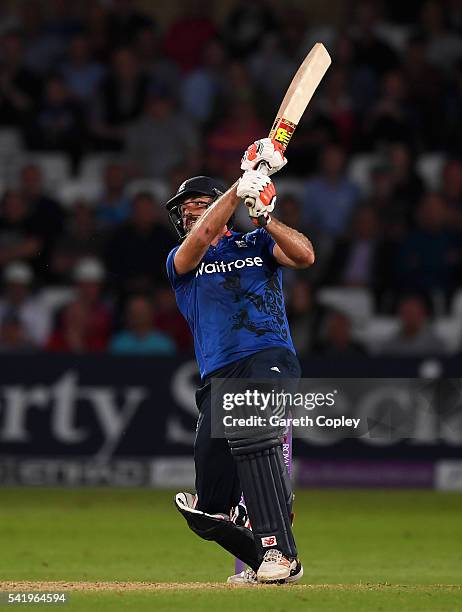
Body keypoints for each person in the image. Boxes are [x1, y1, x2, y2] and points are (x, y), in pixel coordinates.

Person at [166, 138, 315, 585]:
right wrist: (241, 182)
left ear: (222, 208)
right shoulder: (180, 261)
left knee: (253, 428)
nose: (190, 211)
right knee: (210, 506)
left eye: (199, 203)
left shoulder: (254, 242)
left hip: (267, 357)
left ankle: (279, 552)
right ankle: (262, 557)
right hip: (219, 373)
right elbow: (201, 240)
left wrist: (266, 218)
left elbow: (304, 255)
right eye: (186, 206)